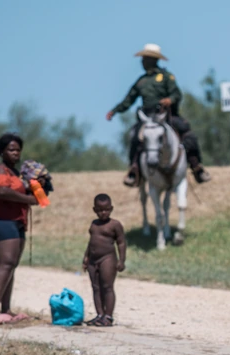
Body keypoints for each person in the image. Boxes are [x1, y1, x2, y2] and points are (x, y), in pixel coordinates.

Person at [106, 43, 210, 186]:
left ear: (153, 60)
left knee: (187, 132)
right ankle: (134, 170)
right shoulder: (141, 81)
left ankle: (196, 167)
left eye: (145, 59)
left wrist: (169, 100)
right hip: (146, 117)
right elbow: (128, 100)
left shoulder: (167, 77)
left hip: (166, 115)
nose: (142, 62)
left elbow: (177, 94)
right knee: (135, 135)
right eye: (142, 59)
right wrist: (114, 111)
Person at [0, 134, 40, 325]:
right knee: (6, 262)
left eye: (17, 149)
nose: (15, 153)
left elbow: (35, 195)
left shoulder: (18, 173)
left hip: (16, 221)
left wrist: (40, 185)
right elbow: (2, 191)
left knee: (12, 264)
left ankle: (6, 309)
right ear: (1, 152)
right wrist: (29, 200)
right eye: (11, 149)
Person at [83, 194, 127, 327]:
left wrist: (121, 260)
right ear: (94, 210)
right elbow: (91, 242)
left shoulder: (115, 224)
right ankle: (99, 315)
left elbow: (121, 243)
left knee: (107, 287)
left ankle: (108, 316)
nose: (103, 213)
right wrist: (86, 257)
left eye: (107, 209)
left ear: (111, 208)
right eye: (100, 210)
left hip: (107, 258)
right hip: (93, 259)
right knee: (96, 287)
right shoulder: (94, 224)